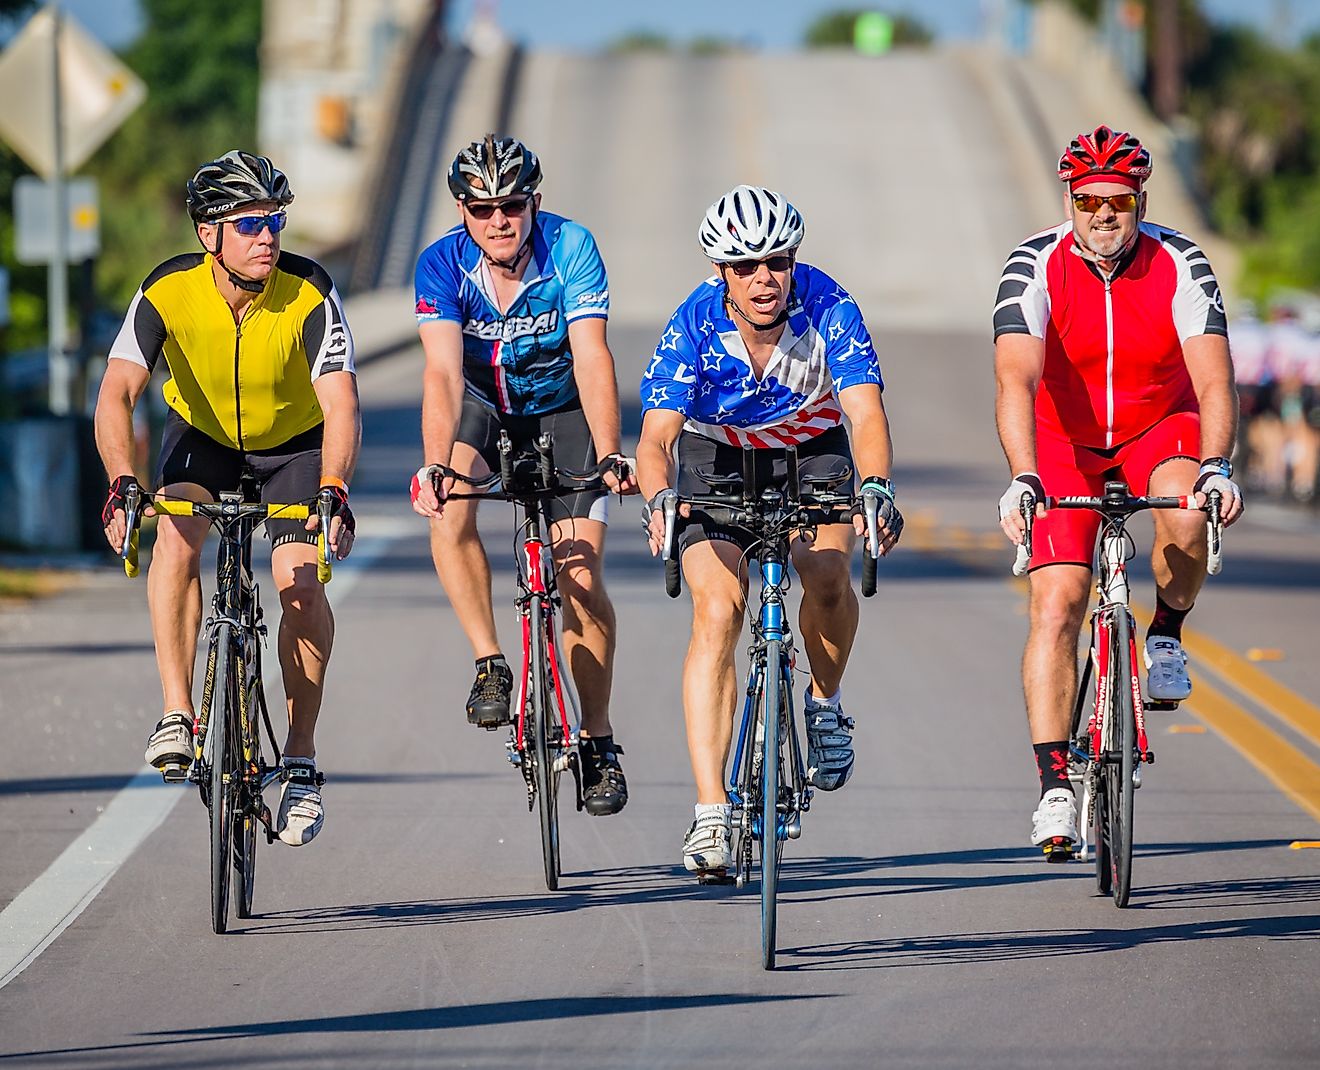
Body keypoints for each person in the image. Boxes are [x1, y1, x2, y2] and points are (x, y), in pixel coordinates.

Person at [635, 184, 902, 879]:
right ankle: (709, 813)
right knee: (717, 614)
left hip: (811, 452)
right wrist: (660, 497)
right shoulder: (692, 323)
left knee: (826, 573)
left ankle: (824, 704)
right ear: (719, 273)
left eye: (777, 262)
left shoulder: (828, 305)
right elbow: (656, 438)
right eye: (745, 266)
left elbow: (865, 416)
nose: (764, 279)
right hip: (715, 460)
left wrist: (873, 488)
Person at [96, 150, 360, 847]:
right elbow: (117, 392)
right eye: (249, 223)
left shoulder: (309, 291)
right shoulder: (166, 291)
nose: (268, 236)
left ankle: (299, 760)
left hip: (295, 446)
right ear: (208, 233)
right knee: (176, 539)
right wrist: (124, 480)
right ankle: (177, 713)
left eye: (275, 220)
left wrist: (334, 488)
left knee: (298, 583)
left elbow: (340, 404)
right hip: (202, 436)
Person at [993, 125, 1244, 858]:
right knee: (1058, 602)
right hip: (1063, 443)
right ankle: (1053, 788)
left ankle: (1165, 633)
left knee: (1185, 512)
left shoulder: (1181, 261)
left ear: (1142, 200)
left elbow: (1214, 379)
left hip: (1155, 426)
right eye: (1088, 200)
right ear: (1069, 200)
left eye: (1120, 201)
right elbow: (1016, 378)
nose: (1104, 214)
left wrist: (1216, 465)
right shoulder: (1032, 263)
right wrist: (1023, 476)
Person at [408, 135, 636, 816]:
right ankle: (490, 660)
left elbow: (592, 357)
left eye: (513, 205)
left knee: (581, 580)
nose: (499, 220)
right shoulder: (442, 264)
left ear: (535, 202)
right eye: (482, 209)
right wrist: (432, 463)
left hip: (562, 409)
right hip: (483, 408)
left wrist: (610, 450)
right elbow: (444, 374)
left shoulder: (571, 248)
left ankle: (596, 742)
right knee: (449, 508)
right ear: (463, 211)